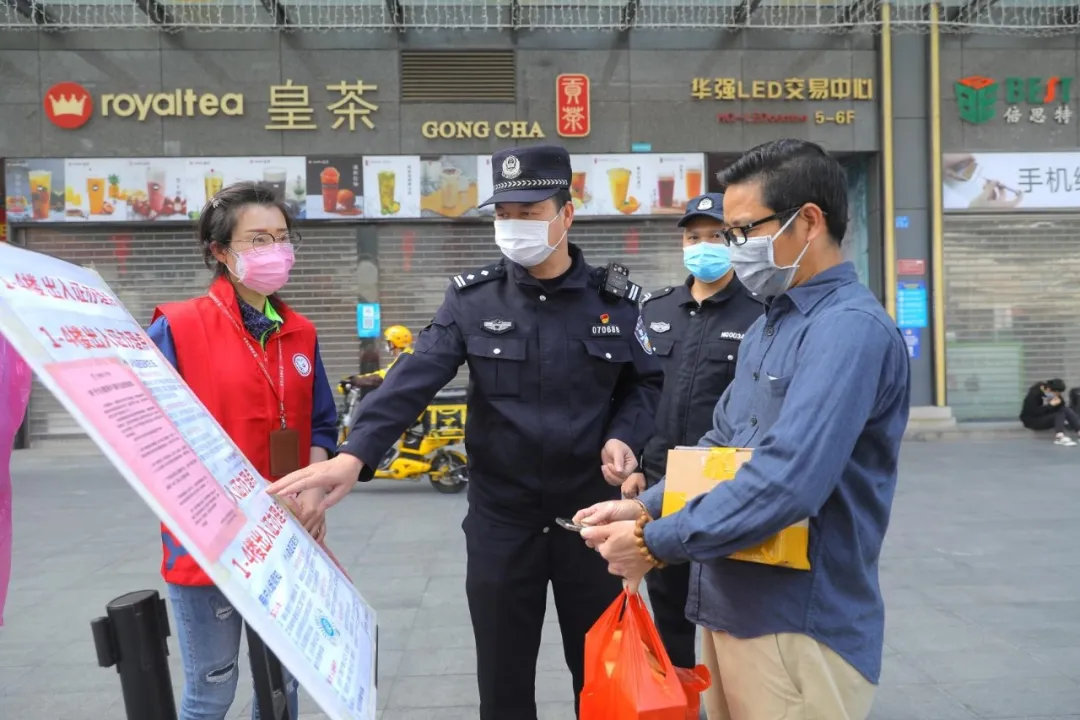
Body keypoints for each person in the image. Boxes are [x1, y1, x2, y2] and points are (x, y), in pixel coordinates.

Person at [267, 145, 664, 719]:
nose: (513, 225)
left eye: (529, 213)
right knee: (502, 684)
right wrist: (354, 455)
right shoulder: (472, 299)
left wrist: (624, 434)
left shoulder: (617, 302)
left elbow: (647, 384)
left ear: (566, 214)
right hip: (503, 523)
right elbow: (413, 377)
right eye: (503, 213)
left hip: (593, 521)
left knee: (604, 680)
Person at [575, 139, 911, 720]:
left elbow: (787, 481)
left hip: (796, 621)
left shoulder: (848, 331)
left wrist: (653, 544)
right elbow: (719, 450)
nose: (731, 248)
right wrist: (644, 507)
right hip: (730, 606)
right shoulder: (770, 326)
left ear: (809, 221)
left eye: (742, 231)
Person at [146, 182, 339, 720]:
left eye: (281, 237)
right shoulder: (177, 327)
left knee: (284, 684)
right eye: (257, 239)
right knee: (212, 691)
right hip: (211, 540)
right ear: (219, 251)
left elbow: (322, 425)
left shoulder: (301, 332)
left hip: (289, 533)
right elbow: (150, 437)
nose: (274, 250)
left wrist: (313, 491)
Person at [620, 192, 764, 672]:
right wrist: (637, 464)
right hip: (662, 484)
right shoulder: (654, 310)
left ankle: (734, 697)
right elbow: (636, 393)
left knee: (736, 611)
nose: (703, 246)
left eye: (716, 236)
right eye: (693, 237)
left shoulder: (761, 313)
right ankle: (679, 695)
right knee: (670, 612)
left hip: (730, 482)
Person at [1020, 378, 1080, 445]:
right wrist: (1050, 405)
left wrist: (1058, 402)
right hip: (1031, 420)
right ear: (1049, 389)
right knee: (1059, 414)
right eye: (1056, 393)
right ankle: (1059, 437)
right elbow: (1033, 412)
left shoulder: (1050, 392)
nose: (1057, 395)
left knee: (1065, 409)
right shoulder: (1033, 395)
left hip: (1043, 416)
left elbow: (1061, 406)